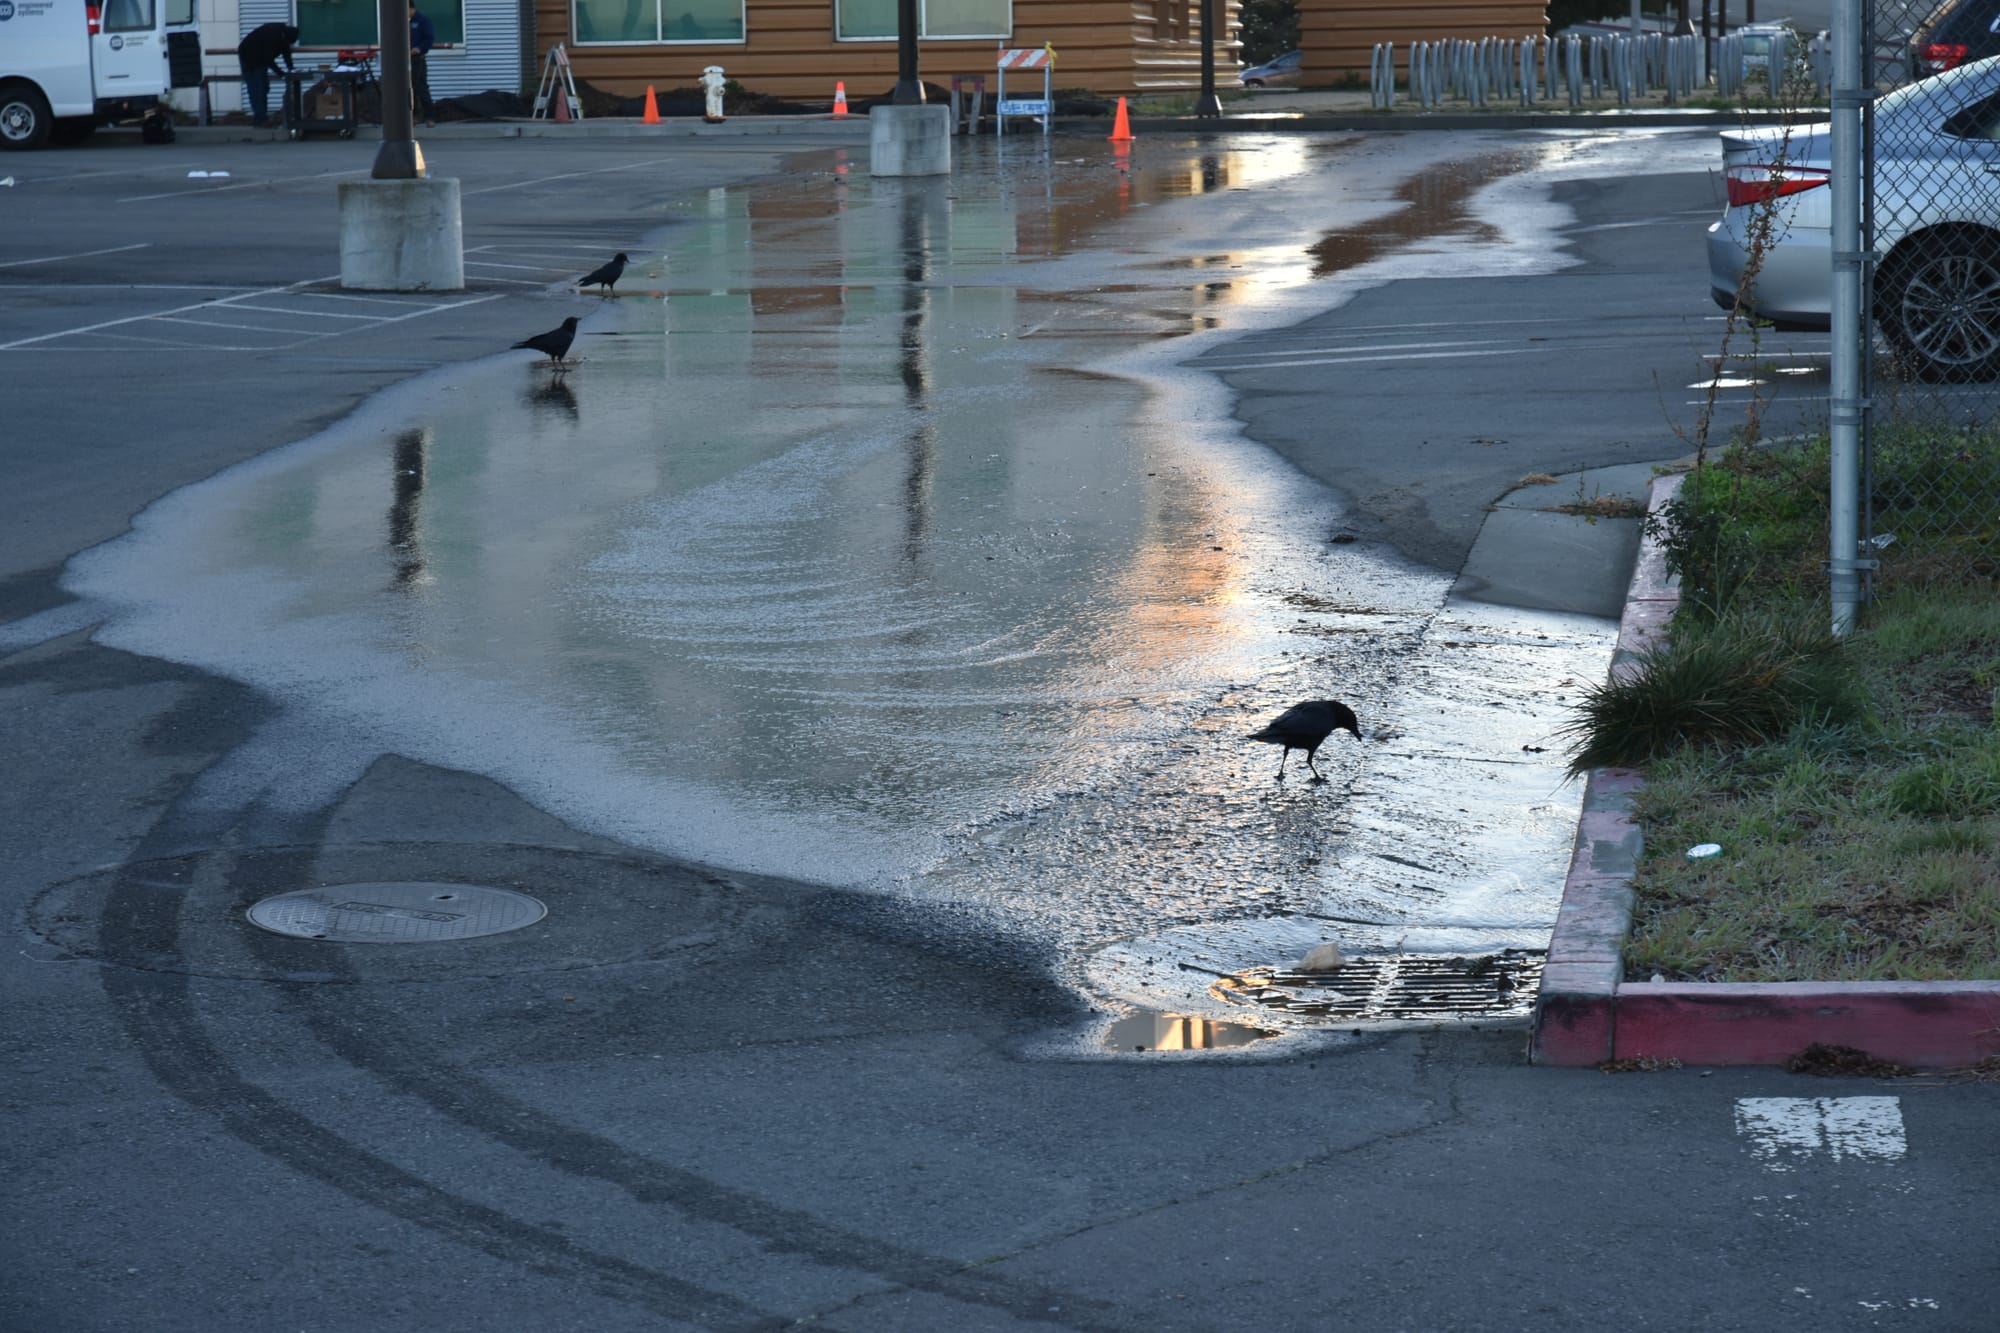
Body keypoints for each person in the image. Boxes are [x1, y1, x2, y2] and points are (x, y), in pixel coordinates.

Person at [235, 22, 300, 128]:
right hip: (248, 55)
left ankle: (260, 117)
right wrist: (281, 74)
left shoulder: (283, 36)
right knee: (257, 87)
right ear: (285, 37)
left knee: (263, 87)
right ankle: (260, 118)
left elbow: (286, 54)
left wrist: (291, 69)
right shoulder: (272, 35)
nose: (289, 45)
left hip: (259, 56)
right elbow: (268, 59)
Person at [409, 3, 436, 126]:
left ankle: (429, 117)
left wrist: (419, 48)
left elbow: (429, 39)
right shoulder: (402, 22)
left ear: (411, 8)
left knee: (421, 88)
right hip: (404, 60)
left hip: (417, 59)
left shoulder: (422, 20)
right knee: (409, 89)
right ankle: (412, 117)